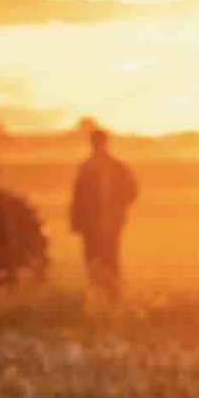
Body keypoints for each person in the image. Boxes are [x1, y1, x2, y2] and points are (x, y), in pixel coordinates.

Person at [69, 126, 138, 298]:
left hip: (104, 221)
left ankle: (109, 294)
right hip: (99, 221)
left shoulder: (90, 167)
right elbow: (78, 197)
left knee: (103, 257)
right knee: (100, 257)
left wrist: (117, 206)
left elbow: (77, 197)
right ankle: (106, 293)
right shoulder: (112, 166)